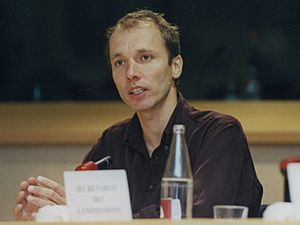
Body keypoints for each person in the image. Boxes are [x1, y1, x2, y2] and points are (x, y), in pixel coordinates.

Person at [13, 9, 263, 220]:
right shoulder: (111, 142)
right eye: (119, 62)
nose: (131, 73)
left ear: (176, 66)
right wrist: (45, 213)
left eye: (145, 57)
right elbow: (81, 213)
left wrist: (94, 215)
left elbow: (199, 218)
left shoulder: (218, 133)